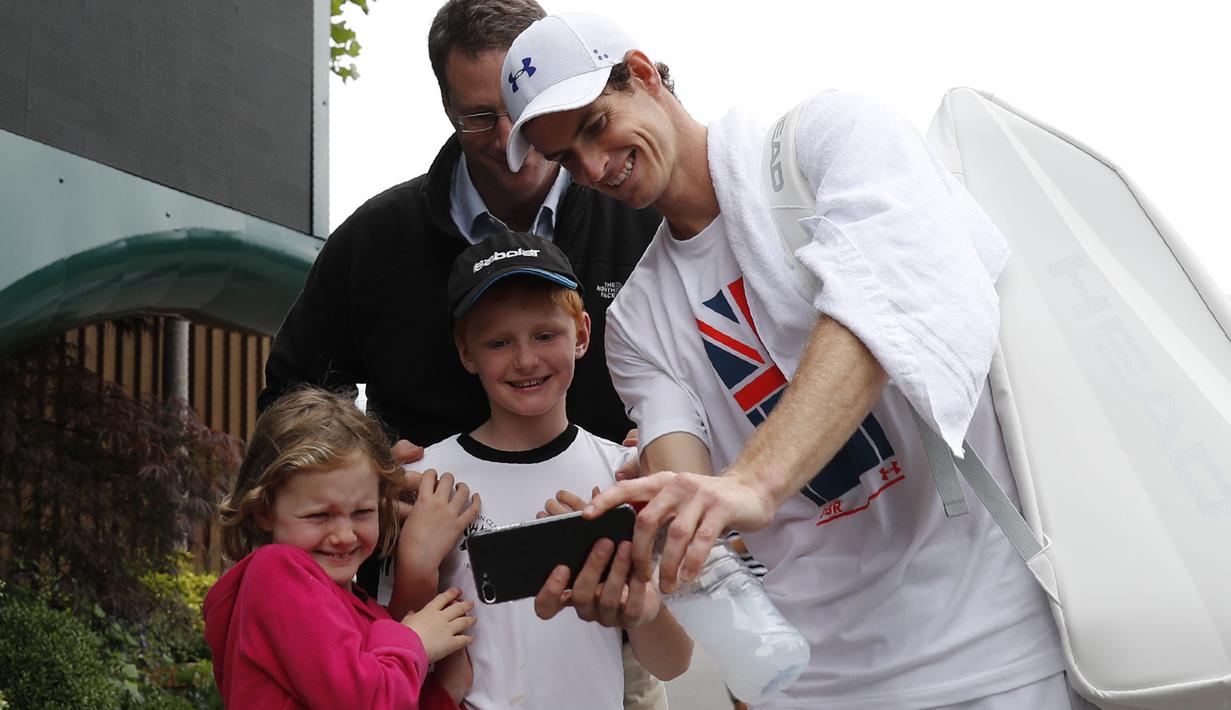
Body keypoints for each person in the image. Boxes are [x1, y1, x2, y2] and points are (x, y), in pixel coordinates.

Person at [503, 13, 1080, 710]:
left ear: (645, 73)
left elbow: (886, 303)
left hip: (987, 653)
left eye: (595, 125)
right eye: (565, 158)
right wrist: (653, 541)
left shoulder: (831, 138)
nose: (593, 168)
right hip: (806, 683)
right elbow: (697, 497)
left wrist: (755, 480)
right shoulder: (634, 319)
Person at [389, 231, 693, 709]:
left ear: (583, 335)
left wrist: (635, 593)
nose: (526, 359)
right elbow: (393, 650)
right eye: (499, 342)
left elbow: (673, 662)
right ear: (466, 352)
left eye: (546, 335)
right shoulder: (426, 479)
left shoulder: (622, 477)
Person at [203, 388, 477, 709]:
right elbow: (363, 700)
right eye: (320, 515)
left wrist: (442, 693)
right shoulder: (275, 572)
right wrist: (415, 641)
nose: (344, 535)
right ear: (264, 511)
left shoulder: (355, 604)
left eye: (362, 512)